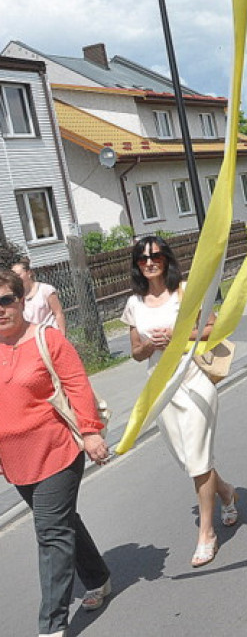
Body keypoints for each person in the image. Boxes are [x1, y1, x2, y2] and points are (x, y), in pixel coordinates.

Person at [0, 268, 111, 637]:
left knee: (49, 532)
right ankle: (97, 577)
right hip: (15, 459)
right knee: (61, 523)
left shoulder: (47, 339)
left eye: (5, 300)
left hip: (56, 450)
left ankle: (51, 626)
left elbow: (77, 386)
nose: (0, 310)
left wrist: (91, 432)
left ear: (20, 300)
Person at [122, 237, 239, 567]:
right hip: (161, 389)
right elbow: (134, 353)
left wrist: (178, 334)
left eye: (156, 256)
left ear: (166, 259)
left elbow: (213, 329)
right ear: (136, 265)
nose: (150, 263)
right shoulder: (134, 303)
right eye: (143, 259)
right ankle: (227, 491)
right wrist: (149, 346)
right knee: (190, 459)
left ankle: (207, 534)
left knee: (199, 458)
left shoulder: (185, 290)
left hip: (194, 382)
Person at [12, 258, 66, 334]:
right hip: (33, 337)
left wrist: (62, 334)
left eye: (19, 275)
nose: (17, 279)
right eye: (14, 276)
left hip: (51, 334)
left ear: (29, 273)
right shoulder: (16, 297)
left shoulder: (46, 290)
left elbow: (58, 313)